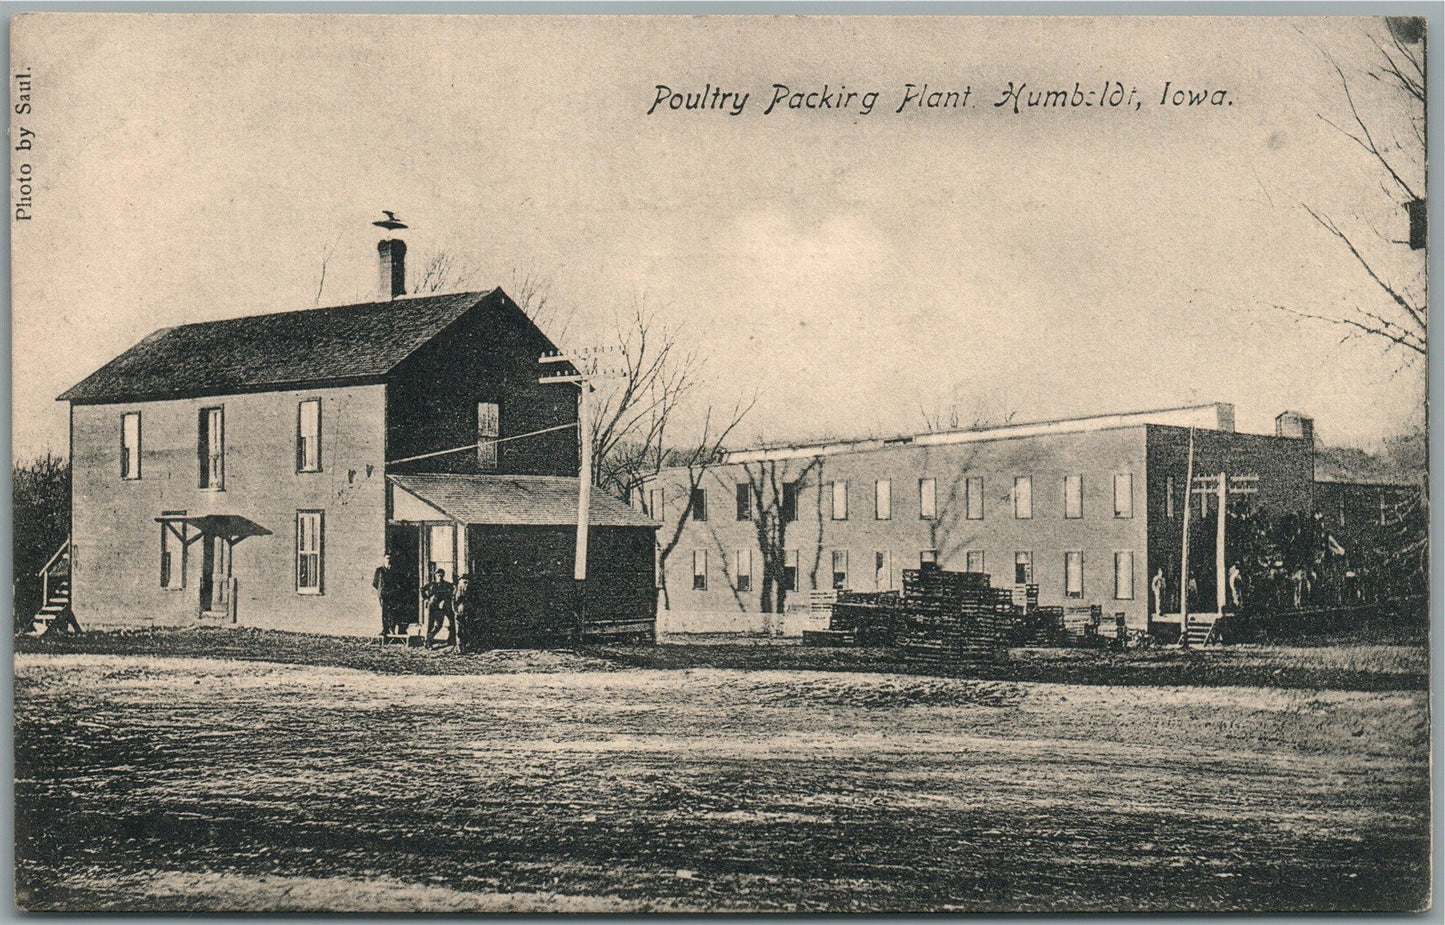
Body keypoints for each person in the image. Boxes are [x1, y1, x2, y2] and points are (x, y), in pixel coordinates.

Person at [423, 568, 455, 649]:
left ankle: (451, 639)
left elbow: (452, 591)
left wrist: (445, 600)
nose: (439, 577)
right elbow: (422, 589)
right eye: (438, 575)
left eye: (441, 575)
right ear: (435, 575)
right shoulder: (431, 584)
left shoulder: (447, 584)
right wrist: (426, 599)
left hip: (442, 607)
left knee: (439, 625)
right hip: (432, 606)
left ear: (443, 575)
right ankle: (428, 642)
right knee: (431, 624)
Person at [372, 554, 402, 636]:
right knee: (385, 612)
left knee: (393, 611)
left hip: (392, 594)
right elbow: (375, 583)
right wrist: (381, 590)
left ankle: (392, 628)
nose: (389, 560)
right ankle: (385, 629)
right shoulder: (379, 570)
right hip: (384, 595)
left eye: (390, 559)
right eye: (387, 558)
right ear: (384, 559)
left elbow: (398, 583)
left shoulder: (394, 571)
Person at [452, 572, 478, 653]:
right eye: (464, 581)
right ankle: (460, 648)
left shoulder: (470, 589)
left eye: (467, 581)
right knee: (459, 630)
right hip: (460, 610)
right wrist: (455, 610)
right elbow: (454, 601)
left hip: (468, 610)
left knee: (468, 628)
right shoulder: (458, 589)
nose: (466, 583)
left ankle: (468, 646)